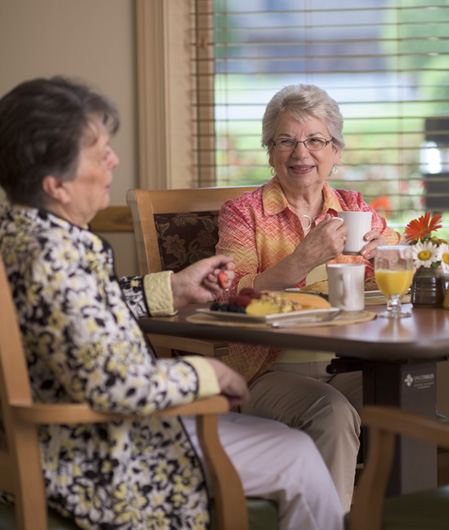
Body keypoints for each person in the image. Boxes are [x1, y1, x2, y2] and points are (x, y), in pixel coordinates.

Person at [0, 77, 345, 530]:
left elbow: (83, 309)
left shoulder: (30, 236)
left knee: (296, 438)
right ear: (56, 184)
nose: (114, 160)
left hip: (98, 430)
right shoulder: (52, 256)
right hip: (103, 451)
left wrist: (173, 289)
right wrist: (206, 372)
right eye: (99, 152)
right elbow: (114, 383)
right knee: (298, 454)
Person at [216, 84, 403, 510]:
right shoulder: (243, 213)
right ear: (270, 152)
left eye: (316, 140)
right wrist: (302, 260)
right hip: (270, 371)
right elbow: (230, 292)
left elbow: (401, 270)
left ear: (335, 152)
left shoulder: (355, 207)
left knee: (405, 399)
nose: (301, 153)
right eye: (286, 141)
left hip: (349, 363)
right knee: (332, 414)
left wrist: (389, 252)